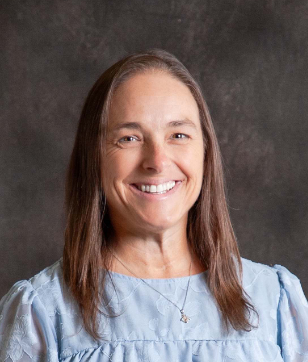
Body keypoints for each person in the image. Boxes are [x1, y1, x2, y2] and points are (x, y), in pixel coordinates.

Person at [0, 49, 307, 362]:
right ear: (93, 158)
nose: (157, 162)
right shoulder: (43, 312)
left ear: (205, 151)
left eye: (178, 134)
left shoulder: (275, 301)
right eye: (129, 138)